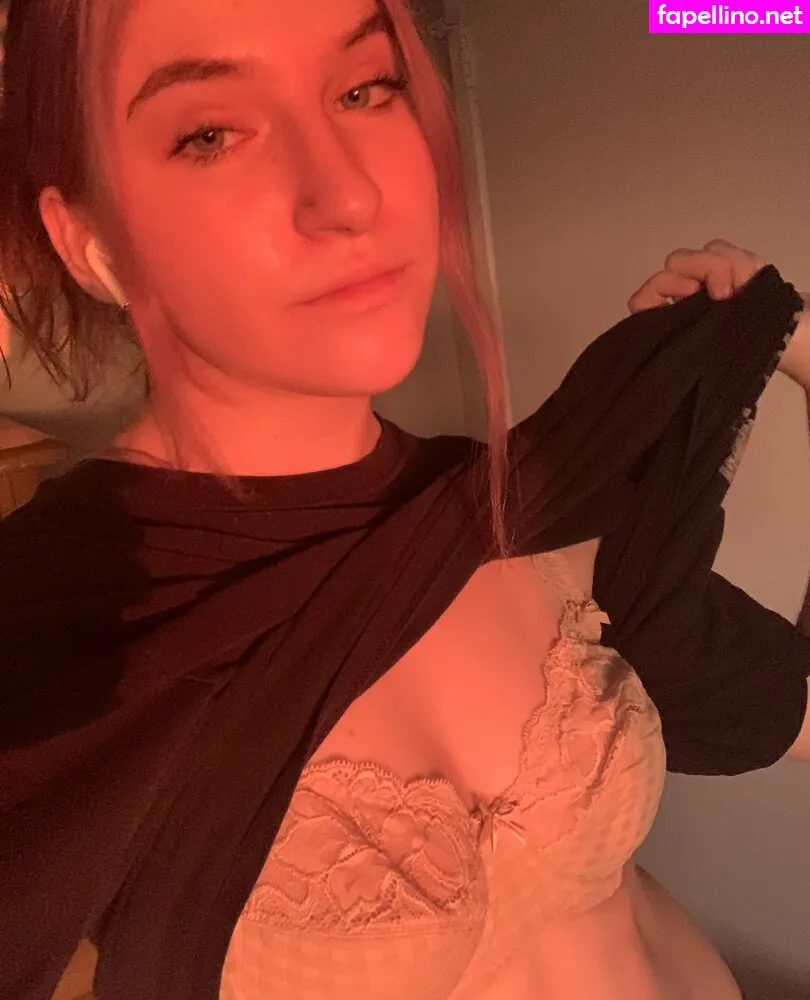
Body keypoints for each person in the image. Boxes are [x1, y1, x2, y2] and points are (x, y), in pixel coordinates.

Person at [0, 2, 807, 1000]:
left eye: (364, 89)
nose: (348, 193)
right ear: (91, 244)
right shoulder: (62, 629)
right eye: (209, 134)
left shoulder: (530, 508)